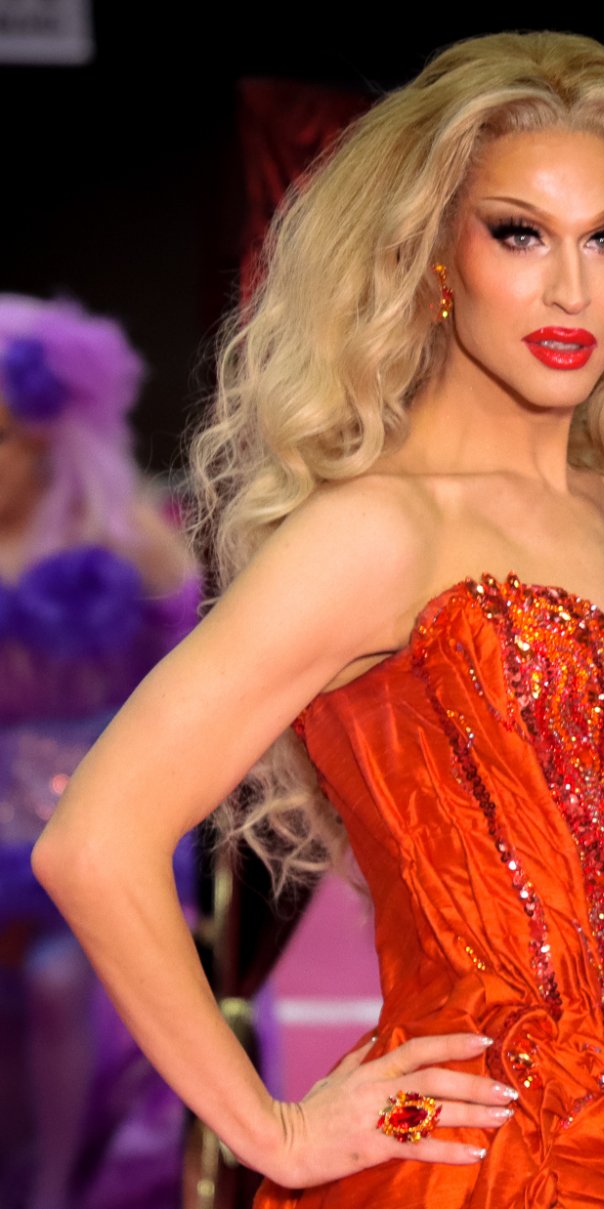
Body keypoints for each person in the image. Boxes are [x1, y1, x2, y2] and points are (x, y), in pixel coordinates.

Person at [33, 32, 604, 1207]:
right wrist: (273, 1132)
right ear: (435, 254)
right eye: (519, 233)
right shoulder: (378, 533)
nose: (571, 288)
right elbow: (94, 841)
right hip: (481, 1169)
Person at [0, 295, 200, 1208]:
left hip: (90, 831)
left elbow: (190, 667)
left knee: (52, 982)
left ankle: (51, 1185)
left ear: (46, 440)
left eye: (5, 434)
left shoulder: (120, 543)